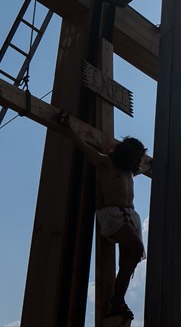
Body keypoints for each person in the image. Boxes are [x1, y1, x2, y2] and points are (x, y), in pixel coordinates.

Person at [59, 113, 147, 321]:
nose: (137, 160)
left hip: (130, 216)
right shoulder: (107, 163)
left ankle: (118, 301)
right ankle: (117, 299)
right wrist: (70, 129)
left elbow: (146, 165)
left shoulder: (129, 172)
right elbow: (85, 149)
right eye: (136, 156)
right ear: (127, 153)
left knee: (129, 260)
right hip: (114, 215)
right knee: (136, 249)